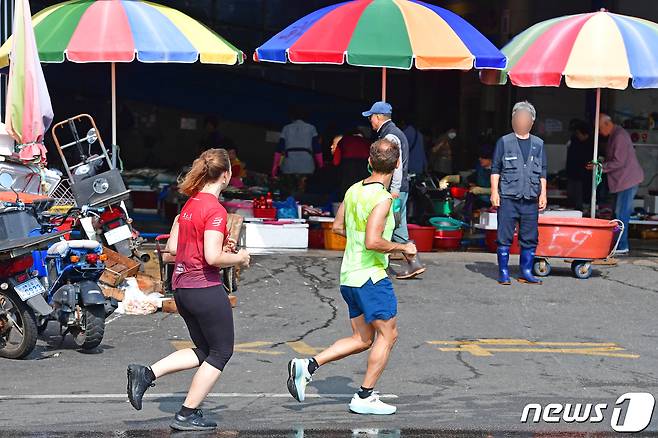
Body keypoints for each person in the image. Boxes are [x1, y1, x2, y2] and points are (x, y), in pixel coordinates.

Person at [286, 138, 417, 415]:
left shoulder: (354, 190)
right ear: (396, 166)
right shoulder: (382, 199)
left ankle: (307, 366)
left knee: (362, 339)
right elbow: (373, 241)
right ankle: (364, 396)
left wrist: (365, 237)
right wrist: (402, 247)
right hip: (371, 277)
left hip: (350, 275)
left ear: (369, 162)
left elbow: (337, 227)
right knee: (388, 335)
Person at [127, 149, 251, 431]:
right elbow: (212, 258)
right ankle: (186, 413)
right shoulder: (215, 210)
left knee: (206, 349)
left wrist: (217, 248)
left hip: (182, 288)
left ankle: (146, 374)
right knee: (221, 352)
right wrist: (240, 257)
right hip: (204, 287)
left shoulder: (190, 205)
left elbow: (172, 250)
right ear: (227, 175)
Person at [363, 101, 424, 280]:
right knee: (398, 227)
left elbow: (395, 166)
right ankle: (414, 263)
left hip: (394, 190)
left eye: (371, 117)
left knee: (385, 226)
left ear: (379, 117)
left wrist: (394, 190)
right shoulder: (394, 133)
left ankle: (381, 267)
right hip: (399, 189)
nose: (370, 121)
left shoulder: (390, 136)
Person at [491, 101, 547, 285]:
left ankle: (526, 271)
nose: (522, 121)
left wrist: (543, 194)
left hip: (530, 198)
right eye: (518, 117)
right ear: (513, 119)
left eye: (525, 118)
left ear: (532, 121)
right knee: (504, 236)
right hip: (508, 197)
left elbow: (543, 171)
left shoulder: (538, 144)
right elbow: (495, 169)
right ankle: (504, 272)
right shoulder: (504, 142)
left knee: (530, 238)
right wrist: (494, 192)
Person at [588, 113, 644, 254]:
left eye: (600, 129)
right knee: (617, 213)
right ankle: (617, 242)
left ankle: (622, 244)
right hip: (624, 180)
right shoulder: (616, 134)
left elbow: (619, 161)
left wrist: (601, 167)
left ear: (607, 124)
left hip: (627, 180)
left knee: (621, 213)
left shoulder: (619, 136)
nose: (600, 133)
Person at [272, 108, 324, 195]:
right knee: (303, 192)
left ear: (292, 117)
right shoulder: (311, 128)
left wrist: (275, 167)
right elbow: (317, 148)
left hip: (289, 165)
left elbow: (279, 149)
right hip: (306, 165)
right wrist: (321, 165)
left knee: (288, 192)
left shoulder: (286, 128)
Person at [332, 129, 372, 198]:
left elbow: (336, 161)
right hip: (364, 168)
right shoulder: (366, 142)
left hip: (348, 169)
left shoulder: (343, 141)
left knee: (347, 193)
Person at [566, 120, 594, 210]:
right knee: (572, 198)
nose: (577, 135)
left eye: (578, 133)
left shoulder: (591, 144)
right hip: (573, 174)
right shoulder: (574, 141)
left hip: (583, 177)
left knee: (580, 198)